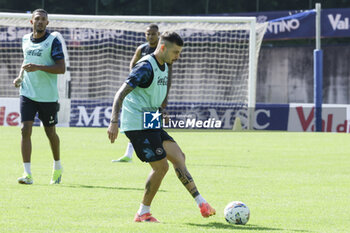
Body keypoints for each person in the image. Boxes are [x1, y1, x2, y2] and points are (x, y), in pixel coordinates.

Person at [107, 31, 216, 222]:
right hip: (137, 123)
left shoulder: (165, 65)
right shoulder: (145, 67)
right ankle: (143, 213)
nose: (178, 57)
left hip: (151, 118)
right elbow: (120, 93)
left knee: (179, 156)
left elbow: (148, 93)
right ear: (163, 47)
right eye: (175, 52)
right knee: (161, 167)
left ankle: (201, 203)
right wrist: (114, 121)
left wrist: (160, 110)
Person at [12, 9, 65, 185]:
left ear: (47, 23)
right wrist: (20, 76)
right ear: (31, 22)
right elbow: (26, 60)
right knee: (25, 130)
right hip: (27, 92)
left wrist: (39, 67)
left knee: (50, 132)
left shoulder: (53, 42)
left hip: (47, 96)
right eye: (37, 19)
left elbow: (61, 68)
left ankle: (57, 166)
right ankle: (27, 174)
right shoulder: (25, 39)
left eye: (43, 19)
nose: (40, 22)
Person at [112, 24, 170, 163]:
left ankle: (156, 152)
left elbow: (167, 76)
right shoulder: (142, 49)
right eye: (148, 34)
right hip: (142, 97)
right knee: (143, 127)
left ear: (158, 35)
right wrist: (138, 78)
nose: (150, 36)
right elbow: (133, 65)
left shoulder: (163, 52)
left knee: (151, 129)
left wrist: (165, 98)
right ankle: (134, 154)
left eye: (153, 34)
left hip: (153, 95)